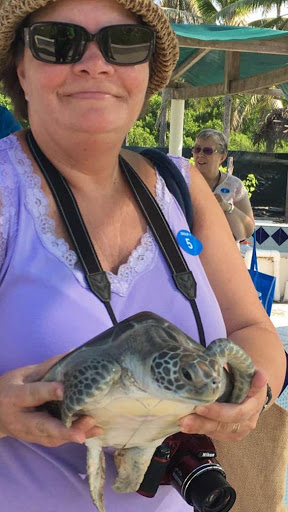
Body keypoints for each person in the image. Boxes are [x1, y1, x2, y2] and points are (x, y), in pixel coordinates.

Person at [0, 1, 285, 511]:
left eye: (122, 43)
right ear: (20, 67)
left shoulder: (183, 186)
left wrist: (252, 399)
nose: (95, 62)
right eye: (58, 41)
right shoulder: (6, 195)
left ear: (146, 70)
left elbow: (253, 330)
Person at [192, 128, 255, 241]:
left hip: (222, 253)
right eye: (197, 149)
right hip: (189, 252)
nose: (200, 154)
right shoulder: (183, 181)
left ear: (222, 157)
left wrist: (227, 207)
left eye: (207, 151)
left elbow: (247, 231)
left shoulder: (234, 185)